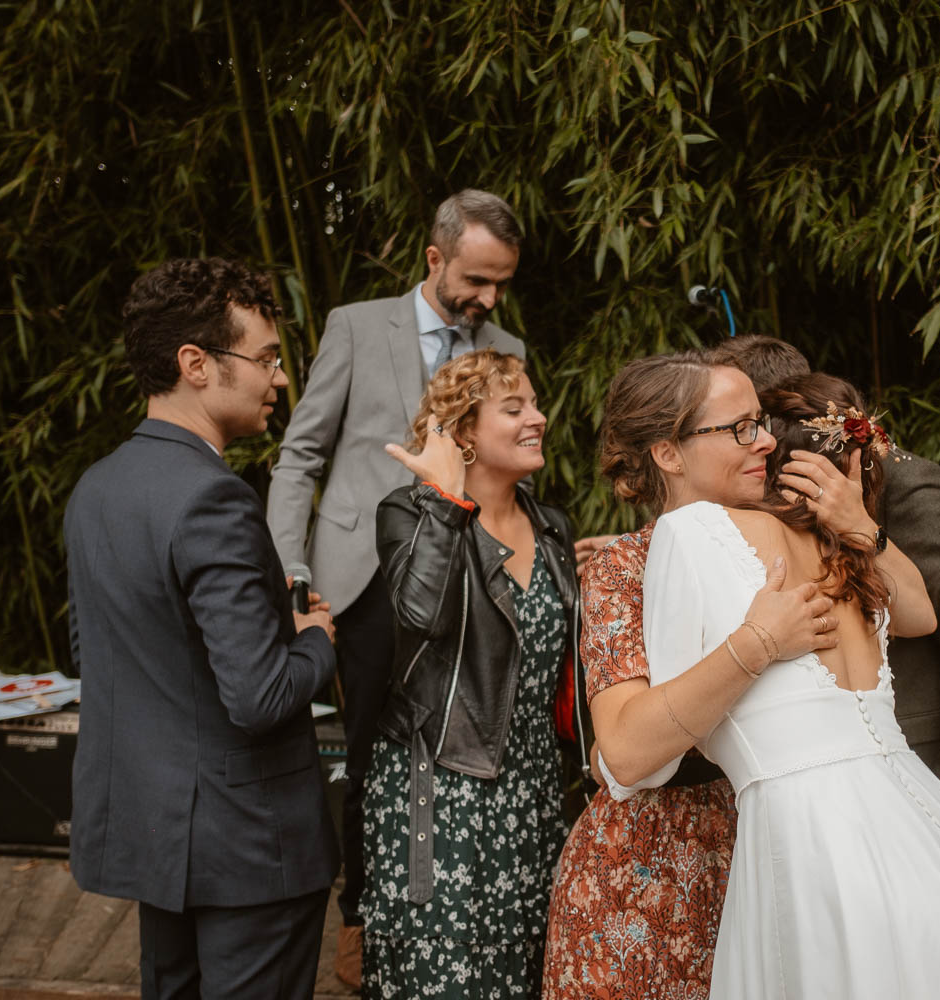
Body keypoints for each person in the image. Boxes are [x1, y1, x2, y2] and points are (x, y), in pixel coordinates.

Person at [641, 371, 940, 996]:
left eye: (754, 427)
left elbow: (662, 744)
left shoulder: (696, 532)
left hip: (818, 836)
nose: (751, 442)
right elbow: (918, 615)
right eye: (737, 427)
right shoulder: (838, 549)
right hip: (933, 829)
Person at [266, 190, 524, 985]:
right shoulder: (353, 323)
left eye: (501, 284)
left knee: (456, 739)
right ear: (435, 259)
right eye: (477, 280)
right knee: (373, 744)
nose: (488, 300)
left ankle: (445, 902)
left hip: (463, 575)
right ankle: (358, 916)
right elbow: (301, 455)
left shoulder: (505, 342)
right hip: (361, 577)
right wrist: (291, 569)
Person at [65, 258, 339, 1000]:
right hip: (249, 846)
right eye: (267, 359)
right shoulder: (212, 498)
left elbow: (97, 655)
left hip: (159, 839)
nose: (279, 379)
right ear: (195, 364)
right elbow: (258, 697)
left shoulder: (96, 489)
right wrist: (313, 638)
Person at [543, 352, 838, 999]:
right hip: (648, 884)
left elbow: (917, 619)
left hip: (780, 860)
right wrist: (759, 643)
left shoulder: (803, 538)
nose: (765, 441)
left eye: (759, 422)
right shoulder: (624, 567)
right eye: (739, 429)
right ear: (669, 455)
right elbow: (622, 753)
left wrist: (858, 522)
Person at [708, 335, 940, 857]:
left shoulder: (908, 486)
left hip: (930, 786)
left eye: (738, 420)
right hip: (826, 804)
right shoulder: (761, 496)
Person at [361, 350, 579, 998]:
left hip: (536, 792)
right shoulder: (410, 513)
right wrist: (450, 503)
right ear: (462, 433)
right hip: (445, 791)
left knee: (524, 975)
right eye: (514, 409)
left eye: (534, 404)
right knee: (444, 979)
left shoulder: (552, 525)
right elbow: (417, 614)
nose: (537, 418)